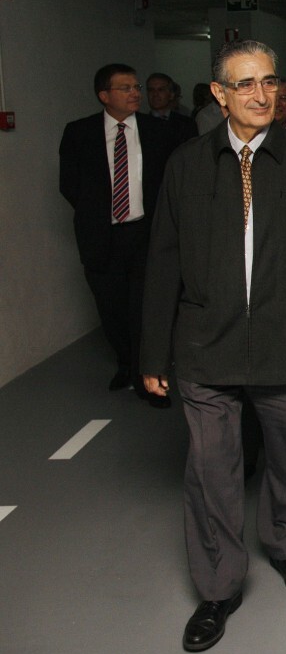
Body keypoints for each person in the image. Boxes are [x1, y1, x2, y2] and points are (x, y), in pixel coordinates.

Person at [139, 40, 286, 653]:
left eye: (269, 82)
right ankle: (218, 587)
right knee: (210, 469)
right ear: (219, 95)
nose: (261, 95)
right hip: (203, 344)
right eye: (245, 85)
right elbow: (162, 261)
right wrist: (151, 353)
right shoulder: (188, 165)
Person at [59, 63, 179, 408]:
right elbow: (70, 185)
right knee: (111, 309)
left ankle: (148, 379)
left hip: (146, 234)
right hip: (103, 237)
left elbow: (169, 183)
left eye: (136, 86)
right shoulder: (79, 133)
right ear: (104, 96)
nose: (135, 93)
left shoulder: (158, 132)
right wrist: (99, 213)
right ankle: (126, 364)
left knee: (145, 308)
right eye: (125, 88)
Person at [146, 72, 199, 146]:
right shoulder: (140, 125)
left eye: (160, 90)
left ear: (171, 95)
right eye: (151, 90)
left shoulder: (186, 125)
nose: (155, 94)